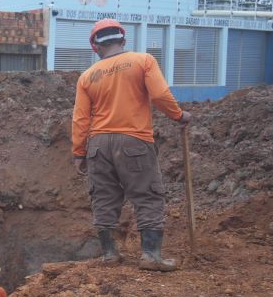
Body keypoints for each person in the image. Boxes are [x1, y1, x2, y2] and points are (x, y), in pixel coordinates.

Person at [72, 18, 190, 271]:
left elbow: (81, 118)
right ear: (123, 40)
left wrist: (79, 152)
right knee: (147, 195)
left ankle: (110, 254)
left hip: (98, 145)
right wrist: (178, 116)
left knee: (103, 198)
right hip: (134, 140)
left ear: (95, 46)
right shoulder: (142, 61)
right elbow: (159, 95)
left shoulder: (87, 76)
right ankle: (151, 256)